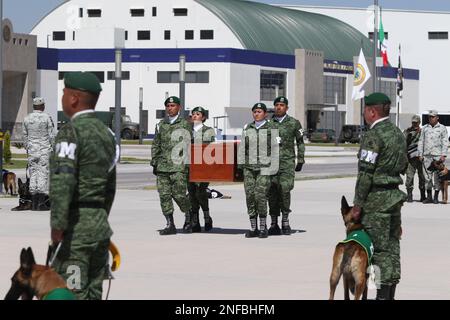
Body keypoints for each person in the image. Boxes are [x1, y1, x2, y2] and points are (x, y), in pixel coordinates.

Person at [49, 72, 118, 300]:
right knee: (94, 291)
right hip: (99, 226)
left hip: (76, 230)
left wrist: (58, 224)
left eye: (64, 93)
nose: (62, 98)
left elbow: (63, 181)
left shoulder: (71, 132)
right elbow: (110, 185)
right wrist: (99, 217)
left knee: (71, 290)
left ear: (73, 99)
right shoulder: (106, 135)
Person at [352, 93, 408, 300]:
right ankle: (389, 294)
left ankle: (381, 296)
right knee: (392, 248)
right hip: (394, 197)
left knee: (377, 250)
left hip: (376, 200)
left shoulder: (373, 135)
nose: (365, 114)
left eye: (365, 110)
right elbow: (403, 165)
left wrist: (358, 204)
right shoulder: (397, 133)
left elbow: (366, 172)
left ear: (372, 111)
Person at [151, 96, 193, 235]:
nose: (170, 108)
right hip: (162, 166)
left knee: (179, 195)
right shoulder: (160, 124)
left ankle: (189, 216)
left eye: (173, 105)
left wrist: (188, 165)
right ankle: (170, 224)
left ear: (179, 108)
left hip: (178, 167)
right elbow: (156, 145)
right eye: (168, 106)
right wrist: (154, 162)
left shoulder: (185, 124)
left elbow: (190, 146)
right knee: (164, 195)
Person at [268, 96, 305, 235]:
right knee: (271, 193)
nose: (278, 107)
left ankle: (285, 220)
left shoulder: (294, 123)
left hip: (287, 163)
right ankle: (273, 223)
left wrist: (301, 160)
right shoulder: (268, 123)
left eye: (281, 105)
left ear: (286, 108)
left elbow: (300, 142)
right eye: (276, 104)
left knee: (285, 190)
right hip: (271, 164)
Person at [239, 103, 277, 238]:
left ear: (265, 113)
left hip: (264, 168)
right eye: (254, 111)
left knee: (260, 196)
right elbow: (243, 147)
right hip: (249, 168)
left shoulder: (271, 127)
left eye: (259, 111)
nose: (257, 113)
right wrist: (240, 166)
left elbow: (276, 148)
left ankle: (263, 227)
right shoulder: (247, 128)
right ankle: (253, 228)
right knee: (250, 196)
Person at [23, 97, 55, 210]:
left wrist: (28, 148)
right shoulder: (47, 118)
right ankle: (41, 204)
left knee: (33, 173)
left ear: (33, 106)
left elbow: (25, 136)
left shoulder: (27, 118)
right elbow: (51, 135)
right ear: (42, 106)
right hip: (43, 150)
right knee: (42, 173)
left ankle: (34, 203)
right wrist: (53, 147)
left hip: (32, 150)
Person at [188, 106, 216, 232]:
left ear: (203, 117)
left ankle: (206, 217)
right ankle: (195, 221)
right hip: (189, 166)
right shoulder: (186, 130)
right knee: (192, 194)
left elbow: (209, 146)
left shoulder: (208, 130)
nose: (194, 116)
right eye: (193, 114)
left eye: (198, 114)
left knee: (201, 193)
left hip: (203, 167)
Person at [418, 110, 449, 204]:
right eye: (429, 117)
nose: (430, 118)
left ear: (437, 117)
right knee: (427, 177)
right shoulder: (425, 128)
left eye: (433, 116)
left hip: (437, 157)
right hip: (426, 156)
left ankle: (436, 197)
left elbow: (445, 142)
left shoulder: (442, 128)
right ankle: (429, 197)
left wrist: (443, 155)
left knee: (437, 178)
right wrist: (420, 154)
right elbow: (421, 141)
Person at [403, 115, 426, 202]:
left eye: (416, 122)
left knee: (422, 177)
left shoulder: (423, 131)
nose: (414, 124)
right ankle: (409, 195)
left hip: (420, 158)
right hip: (410, 159)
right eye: (413, 122)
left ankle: (423, 196)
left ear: (419, 122)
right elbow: (403, 142)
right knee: (409, 178)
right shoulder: (407, 131)